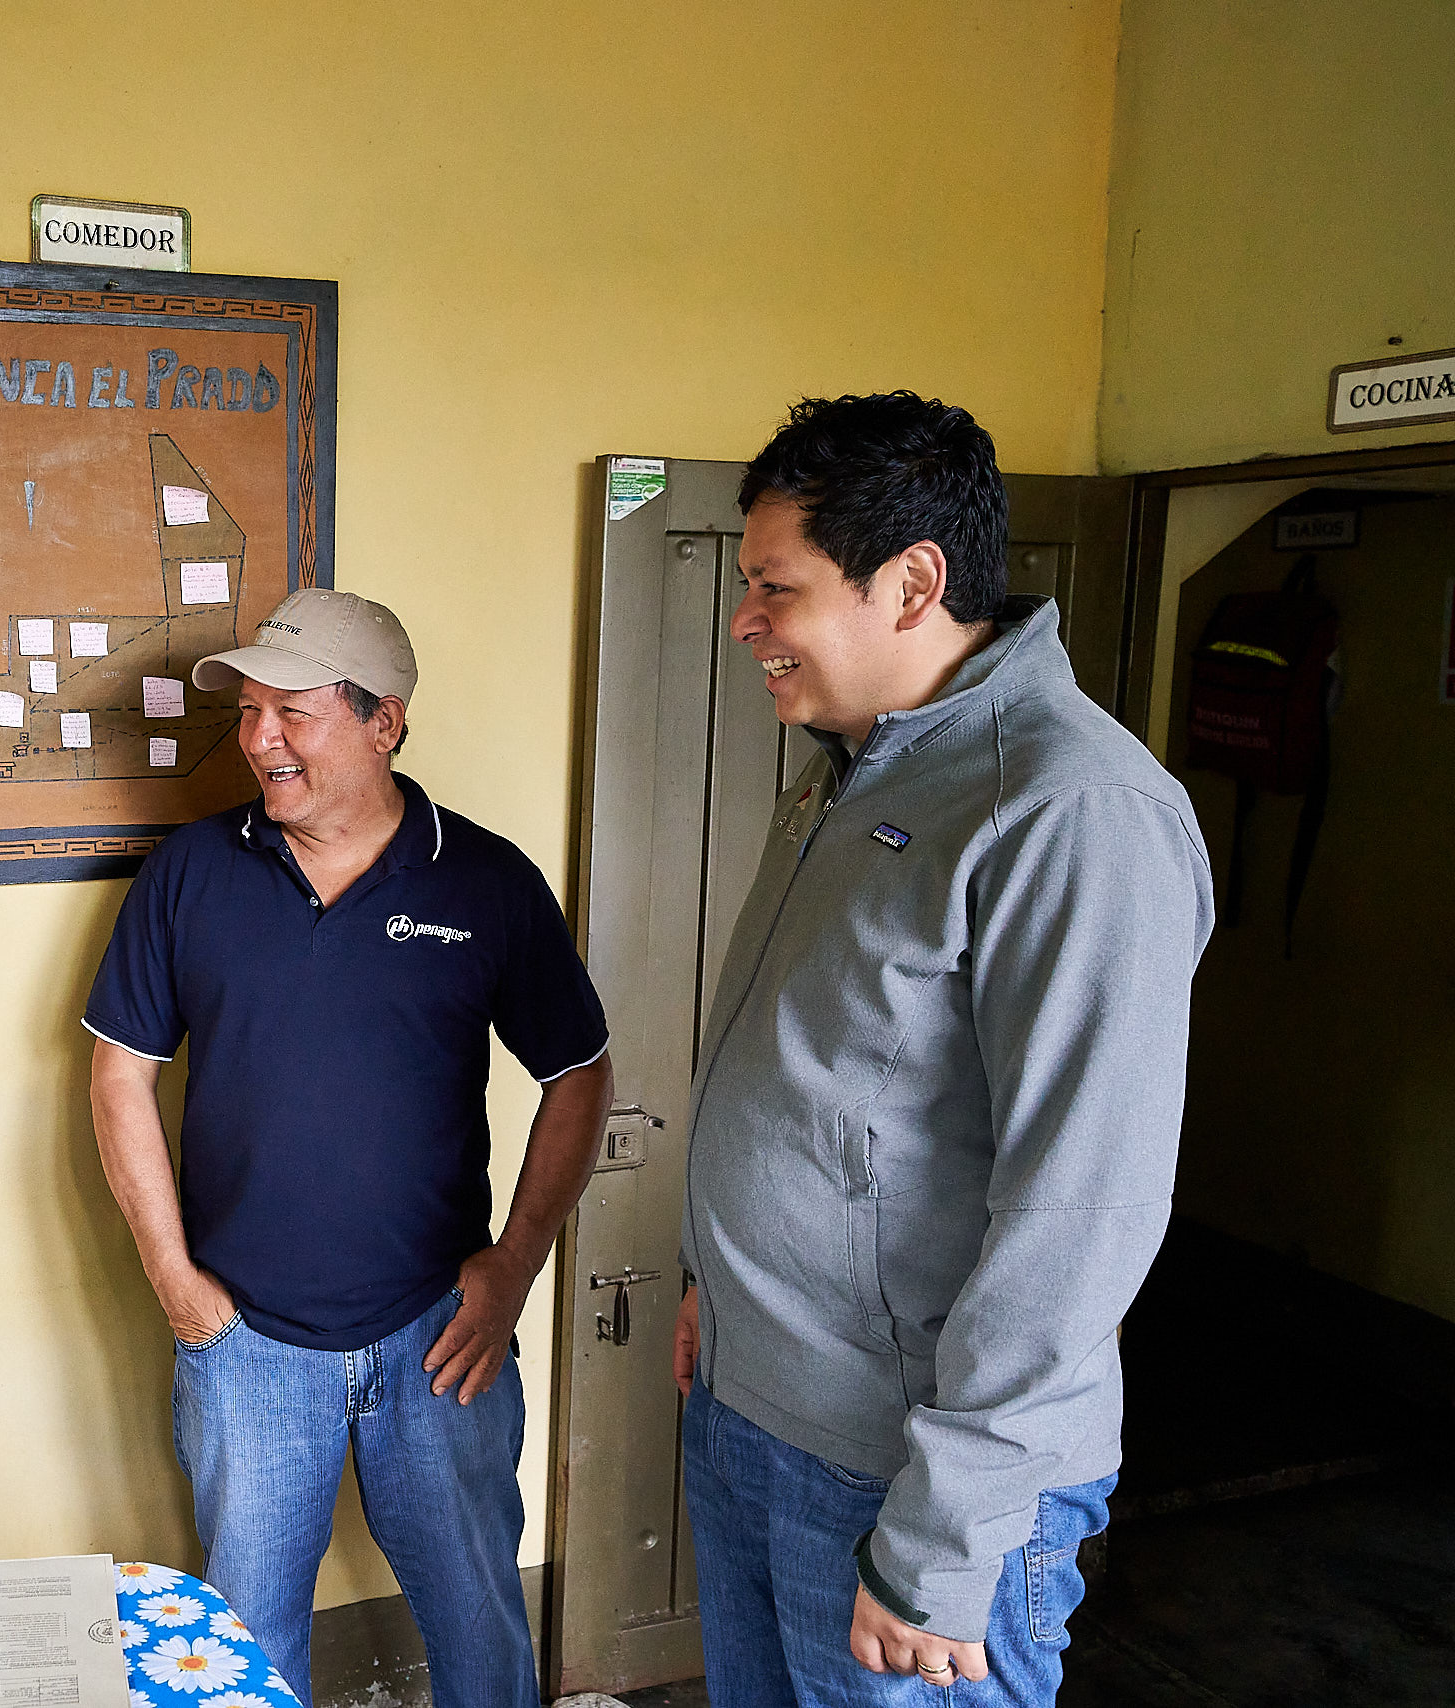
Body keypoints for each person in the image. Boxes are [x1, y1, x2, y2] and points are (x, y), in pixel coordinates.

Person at [673, 393, 1215, 1705]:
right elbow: (826, 1096)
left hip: (905, 1476)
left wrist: (946, 1535)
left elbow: (1080, 1218)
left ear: (911, 582)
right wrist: (722, 1293)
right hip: (756, 1411)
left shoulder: (1070, 809)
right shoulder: (860, 767)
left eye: (776, 589)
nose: (747, 621)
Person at [85, 587, 611, 1708]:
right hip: (246, 1345)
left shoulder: (485, 881)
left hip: (439, 1335)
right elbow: (119, 1072)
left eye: (294, 712)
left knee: (477, 1619)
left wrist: (514, 1262)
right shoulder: (191, 872)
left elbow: (578, 1072)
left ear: (386, 721)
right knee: (240, 1637)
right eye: (250, 713)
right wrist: (174, 1281)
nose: (260, 739)